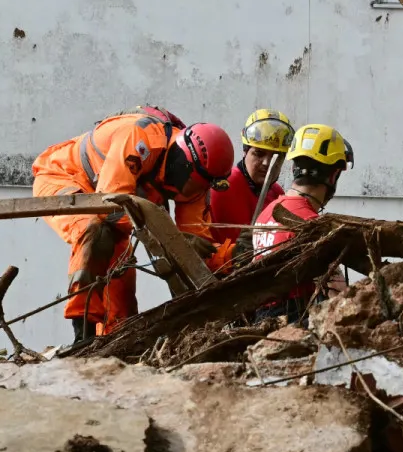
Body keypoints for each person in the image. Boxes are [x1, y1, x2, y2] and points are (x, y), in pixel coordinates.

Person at [30, 106, 234, 341]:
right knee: (94, 231)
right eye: (193, 185)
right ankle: (82, 334)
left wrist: (233, 254)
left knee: (121, 298)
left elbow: (195, 255)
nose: (192, 194)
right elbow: (108, 206)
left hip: (114, 205)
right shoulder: (140, 137)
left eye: (200, 188)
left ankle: (112, 345)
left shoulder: (197, 186)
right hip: (64, 176)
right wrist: (168, 237)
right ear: (182, 163)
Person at [251, 123, 353, 323]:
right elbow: (339, 297)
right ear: (334, 175)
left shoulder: (265, 214)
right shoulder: (312, 227)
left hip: (262, 322)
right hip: (295, 325)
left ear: (294, 167)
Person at [206, 109, 294, 274]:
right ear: (245, 150)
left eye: (277, 156)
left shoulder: (276, 192)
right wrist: (233, 254)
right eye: (259, 153)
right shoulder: (221, 188)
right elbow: (200, 252)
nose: (267, 163)